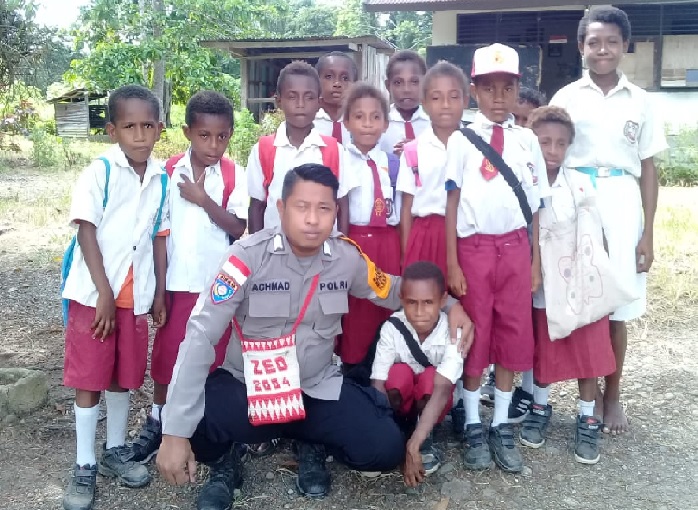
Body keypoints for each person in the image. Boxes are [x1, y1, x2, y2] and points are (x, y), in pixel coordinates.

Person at [156, 164, 474, 510]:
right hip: (251, 390)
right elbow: (200, 337)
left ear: (335, 212)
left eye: (323, 208)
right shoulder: (245, 258)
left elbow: (394, 288)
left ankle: (310, 444)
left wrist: (450, 304)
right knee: (194, 420)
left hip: (314, 389)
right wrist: (174, 432)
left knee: (384, 447)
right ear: (281, 209)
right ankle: (225, 462)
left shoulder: (346, 257)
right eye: (301, 207)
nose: (312, 219)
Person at [550, 6, 667, 435]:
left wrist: (647, 234)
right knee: (583, 301)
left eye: (612, 41)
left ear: (625, 46)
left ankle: (613, 393)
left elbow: (649, 168)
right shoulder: (566, 98)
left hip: (621, 201)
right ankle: (589, 393)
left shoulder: (641, 101)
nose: (603, 49)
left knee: (617, 306)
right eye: (594, 41)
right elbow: (549, 153)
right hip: (575, 200)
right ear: (581, 46)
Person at [61, 85, 169, 510]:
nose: (139, 135)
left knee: (123, 376)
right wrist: (105, 292)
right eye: (129, 126)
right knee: (89, 378)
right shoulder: (99, 173)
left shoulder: (161, 179)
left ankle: (115, 451)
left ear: (160, 129)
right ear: (112, 131)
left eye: (147, 126)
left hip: (136, 298)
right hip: (94, 296)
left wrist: (159, 292)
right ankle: (85, 463)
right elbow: (86, 229)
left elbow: (161, 238)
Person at [127, 90, 248, 464]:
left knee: (212, 360)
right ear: (187, 132)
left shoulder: (233, 175)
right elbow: (159, 236)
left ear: (230, 134)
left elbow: (239, 226)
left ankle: (208, 429)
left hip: (218, 289)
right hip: (177, 285)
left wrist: (204, 199)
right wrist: (159, 292)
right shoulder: (166, 172)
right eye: (204, 135)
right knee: (168, 358)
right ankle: (158, 420)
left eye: (222, 136)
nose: (213, 145)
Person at [445, 43, 546, 474]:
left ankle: (500, 422)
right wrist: (451, 262)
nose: (499, 97)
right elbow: (451, 205)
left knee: (512, 332)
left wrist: (535, 261)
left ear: (518, 89)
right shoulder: (462, 140)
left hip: (515, 249)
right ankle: (471, 420)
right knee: (475, 333)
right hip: (474, 251)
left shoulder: (527, 142)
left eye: (507, 87)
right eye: (489, 88)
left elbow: (536, 206)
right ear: (474, 91)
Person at [518, 105, 616, 464]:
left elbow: (596, 230)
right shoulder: (524, 181)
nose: (552, 150)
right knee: (547, 348)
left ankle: (587, 415)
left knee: (586, 349)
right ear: (532, 142)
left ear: (569, 146)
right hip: (544, 283)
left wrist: (598, 272)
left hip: (581, 283)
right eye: (545, 142)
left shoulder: (579, 183)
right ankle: (540, 408)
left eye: (561, 143)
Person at [371, 261, 470, 485]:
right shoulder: (392, 328)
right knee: (397, 375)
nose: (419, 312)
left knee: (430, 380)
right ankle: (397, 430)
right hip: (402, 404)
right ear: (401, 299)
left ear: (443, 301)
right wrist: (383, 438)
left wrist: (413, 445)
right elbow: (377, 385)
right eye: (411, 303)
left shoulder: (453, 332)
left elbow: (443, 389)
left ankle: (424, 438)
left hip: (435, 399)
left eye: (428, 303)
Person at [337, 83, 401, 370]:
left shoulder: (392, 163)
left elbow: (399, 209)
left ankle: (385, 375)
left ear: (386, 124)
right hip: (357, 243)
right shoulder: (340, 161)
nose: (367, 124)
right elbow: (340, 207)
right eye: (359, 116)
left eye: (375, 117)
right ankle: (354, 372)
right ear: (347, 121)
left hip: (388, 242)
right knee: (358, 310)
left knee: (387, 305)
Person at [247, 61, 350, 235]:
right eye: (292, 96)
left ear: (319, 103)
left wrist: (341, 248)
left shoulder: (334, 150)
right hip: (274, 251)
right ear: (278, 101)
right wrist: (258, 254)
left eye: (309, 97)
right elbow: (256, 207)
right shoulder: (264, 149)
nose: (300, 104)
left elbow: (343, 206)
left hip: (322, 252)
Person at [399, 61, 469, 283]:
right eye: (436, 98)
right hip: (427, 235)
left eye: (454, 96)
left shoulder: (476, 147)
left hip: (466, 234)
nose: (445, 105)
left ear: (466, 101)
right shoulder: (413, 150)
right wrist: (406, 253)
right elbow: (407, 207)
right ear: (425, 104)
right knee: (426, 302)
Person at [380, 50, 431, 156]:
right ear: (388, 86)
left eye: (414, 82)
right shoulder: (378, 123)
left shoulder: (434, 123)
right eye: (398, 82)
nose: (406, 89)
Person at [314, 51, 358, 145]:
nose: (337, 83)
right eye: (329, 76)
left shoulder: (362, 122)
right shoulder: (306, 122)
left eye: (345, 78)